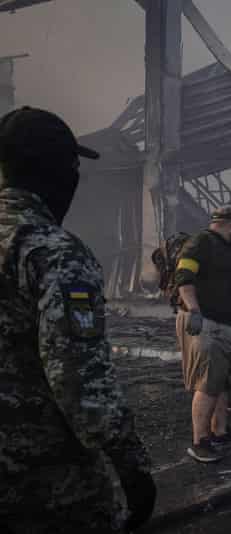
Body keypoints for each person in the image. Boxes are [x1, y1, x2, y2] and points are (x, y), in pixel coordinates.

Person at [0, 106, 155, 533]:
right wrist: (132, 467)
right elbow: (77, 376)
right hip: (40, 483)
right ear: (64, 171)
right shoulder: (52, 251)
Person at [175, 204, 231, 463]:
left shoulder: (226, 250)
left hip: (229, 326)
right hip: (209, 325)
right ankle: (199, 441)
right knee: (208, 384)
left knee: (223, 383)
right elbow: (183, 276)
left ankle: (220, 432)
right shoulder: (201, 242)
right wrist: (194, 310)